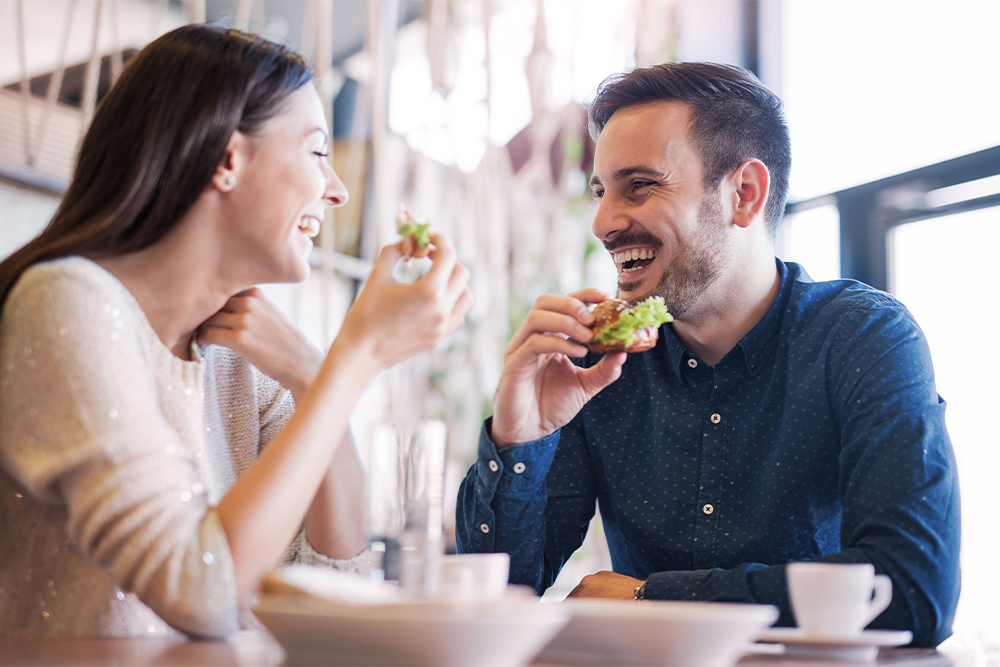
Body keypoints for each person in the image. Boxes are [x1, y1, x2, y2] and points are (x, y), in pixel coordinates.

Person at [456, 62, 959, 647]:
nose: (602, 222)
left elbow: (915, 590)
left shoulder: (862, 338)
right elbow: (493, 599)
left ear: (743, 194)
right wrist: (521, 437)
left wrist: (654, 598)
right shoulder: (595, 365)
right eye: (600, 190)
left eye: (638, 185)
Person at [0, 25, 473, 639]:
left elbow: (339, 575)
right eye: (316, 151)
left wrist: (312, 372)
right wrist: (355, 359)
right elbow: (204, 592)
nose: (338, 190)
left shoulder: (237, 359)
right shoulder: (64, 302)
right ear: (227, 158)